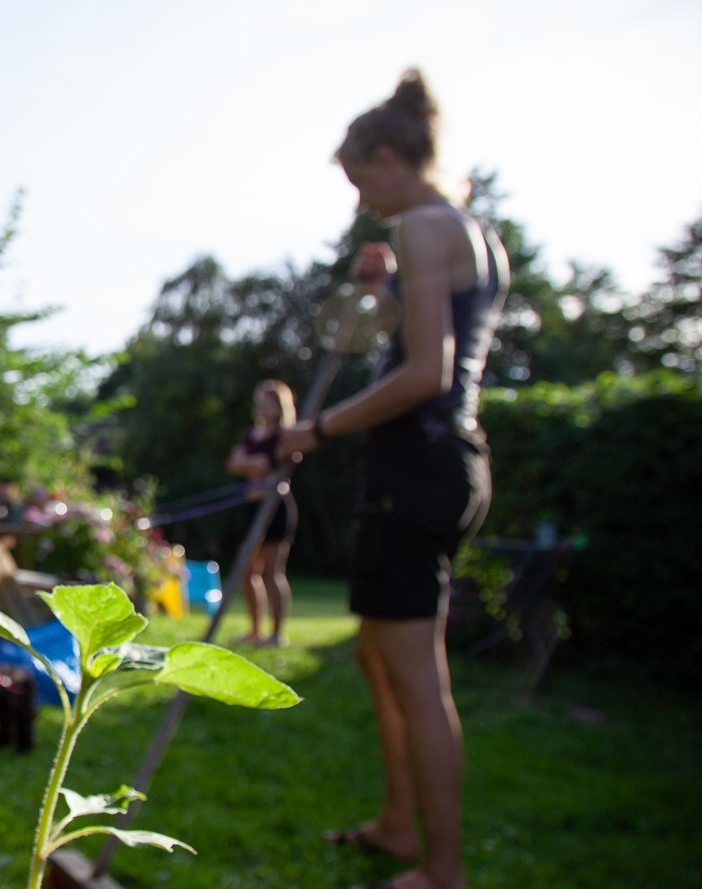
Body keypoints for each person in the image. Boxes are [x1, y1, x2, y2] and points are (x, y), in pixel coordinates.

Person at [276, 70, 509, 889]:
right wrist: (379, 294)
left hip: (417, 462)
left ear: (388, 156)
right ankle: (397, 826)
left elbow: (425, 372)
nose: (360, 201)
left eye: (359, 179)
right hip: (450, 460)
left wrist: (318, 427)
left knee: (415, 674)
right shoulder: (469, 231)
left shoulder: (421, 225)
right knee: (382, 658)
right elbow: (425, 341)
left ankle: (440, 871)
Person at [224, 380, 298, 647]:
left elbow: (266, 464)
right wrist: (251, 464)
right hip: (253, 507)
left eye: (268, 401)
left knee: (273, 571)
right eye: (260, 401)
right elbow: (235, 463)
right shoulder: (252, 435)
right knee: (247, 570)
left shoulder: (287, 436)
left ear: (280, 406)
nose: (262, 407)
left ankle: (277, 634)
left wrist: (251, 464)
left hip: (276, 508)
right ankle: (255, 630)